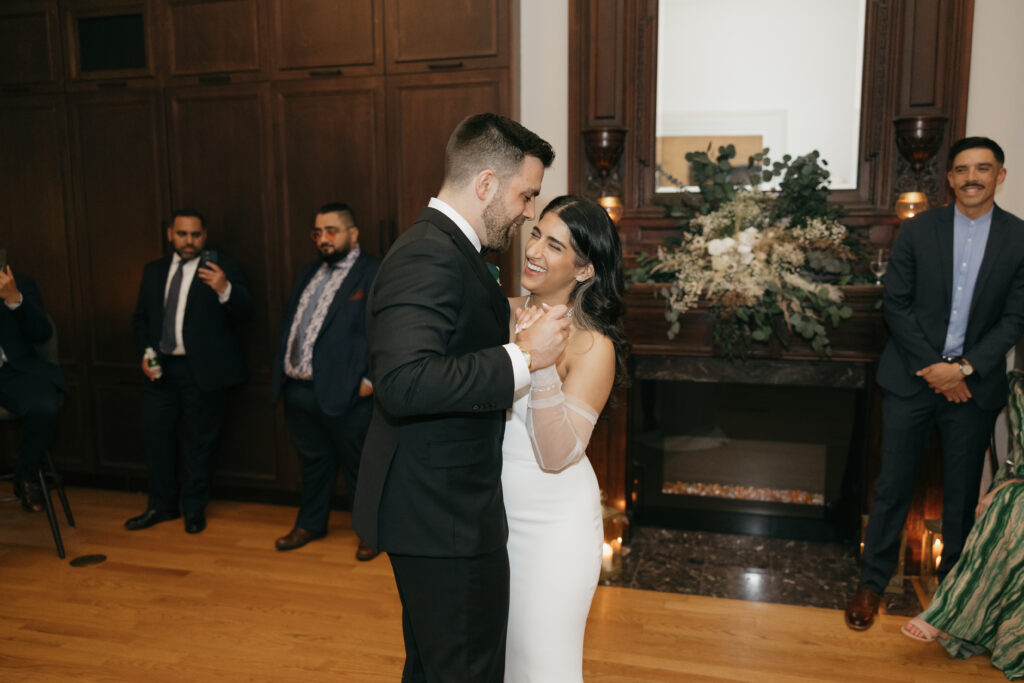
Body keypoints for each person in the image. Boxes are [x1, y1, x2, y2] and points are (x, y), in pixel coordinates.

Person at [351, 113, 565, 683]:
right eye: (525, 196)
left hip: (444, 504)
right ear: (487, 184)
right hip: (440, 514)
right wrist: (524, 358)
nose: (527, 212)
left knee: (437, 668)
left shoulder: (454, 250)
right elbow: (403, 380)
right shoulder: (428, 253)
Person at [846, 137, 1024, 630]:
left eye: (983, 169)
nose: (972, 177)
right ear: (949, 178)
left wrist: (964, 369)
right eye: (963, 169)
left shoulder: (1018, 238)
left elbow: (1015, 317)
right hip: (910, 379)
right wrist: (937, 369)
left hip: (974, 387)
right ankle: (871, 584)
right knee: (892, 487)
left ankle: (951, 599)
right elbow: (896, 304)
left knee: (962, 494)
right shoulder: (918, 231)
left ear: (999, 176)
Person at [502, 195, 628, 682]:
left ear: (583, 270)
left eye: (554, 245)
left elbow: (557, 455)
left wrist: (545, 362)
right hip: (491, 516)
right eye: (536, 234)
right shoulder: (502, 313)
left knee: (542, 668)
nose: (534, 250)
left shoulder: (593, 346)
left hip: (554, 527)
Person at [126, 209, 252, 534]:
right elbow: (141, 319)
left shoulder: (221, 267)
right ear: (170, 234)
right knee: (156, 438)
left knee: (199, 443)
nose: (189, 241)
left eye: (195, 235)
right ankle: (161, 506)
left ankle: (193, 510)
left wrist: (225, 288)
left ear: (204, 236)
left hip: (204, 372)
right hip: (160, 370)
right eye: (182, 234)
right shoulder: (153, 271)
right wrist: (146, 353)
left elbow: (246, 311)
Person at [271, 202, 379, 559]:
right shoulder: (308, 272)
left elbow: (386, 330)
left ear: (353, 233)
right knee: (313, 462)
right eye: (317, 233)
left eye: (331, 231)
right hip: (299, 390)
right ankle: (311, 523)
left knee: (359, 466)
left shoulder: (373, 273)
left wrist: (371, 379)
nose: (323, 239)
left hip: (348, 393)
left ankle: (370, 532)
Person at [900, 369, 1024, 681]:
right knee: (1006, 502)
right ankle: (955, 616)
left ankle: (952, 615)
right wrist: (1005, 483)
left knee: (1014, 507)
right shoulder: (1019, 385)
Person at [0, 266, 67, 512]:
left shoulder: (21, 284)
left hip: (13, 371)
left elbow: (42, 333)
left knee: (44, 407)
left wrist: (14, 299)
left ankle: (26, 476)